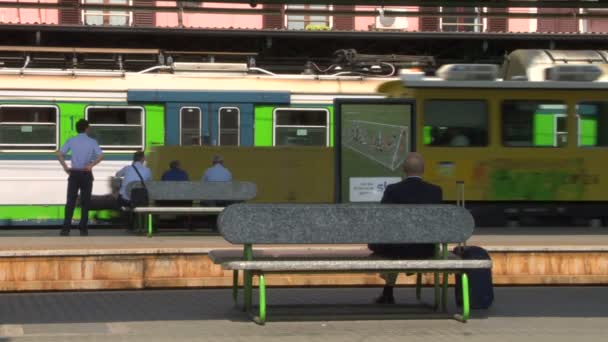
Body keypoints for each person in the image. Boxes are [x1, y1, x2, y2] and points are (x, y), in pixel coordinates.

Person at [368, 152, 443, 304]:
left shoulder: (393, 190)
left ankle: (388, 292)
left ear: (404, 169)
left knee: (391, 243)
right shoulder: (435, 191)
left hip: (396, 248)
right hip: (425, 249)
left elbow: (382, 217)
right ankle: (436, 301)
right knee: (396, 242)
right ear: (423, 169)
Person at [57, 119, 104, 236]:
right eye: (89, 127)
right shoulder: (92, 142)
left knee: (70, 201)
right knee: (85, 202)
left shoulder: (71, 140)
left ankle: (66, 228)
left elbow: (59, 154)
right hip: (86, 174)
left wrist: (65, 167)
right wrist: (91, 165)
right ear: (86, 128)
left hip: (74, 174)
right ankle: (83, 228)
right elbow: (101, 155)